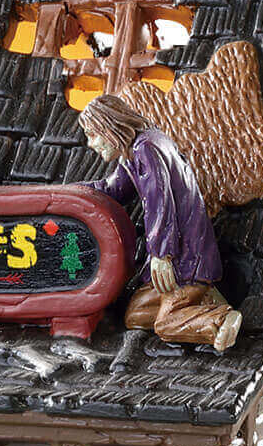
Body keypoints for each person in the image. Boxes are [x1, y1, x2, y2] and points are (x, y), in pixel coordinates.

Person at [79, 95, 242, 353]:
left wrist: (161, 254)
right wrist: (72, 191)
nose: (91, 143)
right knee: (135, 317)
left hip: (185, 258)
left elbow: (160, 202)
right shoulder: (135, 151)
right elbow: (114, 190)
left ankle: (220, 319)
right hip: (180, 255)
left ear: (109, 126)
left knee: (165, 326)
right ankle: (202, 303)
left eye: (92, 134)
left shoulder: (146, 148)